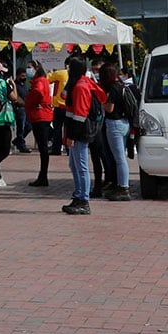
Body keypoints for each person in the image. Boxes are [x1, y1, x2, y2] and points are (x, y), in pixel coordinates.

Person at [62, 54, 104, 215]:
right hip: (75, 129)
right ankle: (78, 195)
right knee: (74, 165)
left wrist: (72, 135)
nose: (67, 69)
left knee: (81, 166)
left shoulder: (81, 87)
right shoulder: (79, 84)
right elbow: (64, 96)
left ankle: (83, 200)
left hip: (79, 131)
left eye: (70, 67)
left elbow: (80, 114)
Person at [98, 61, 135, 201]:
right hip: (125, 122)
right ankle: (121, 185)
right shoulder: (121, 85)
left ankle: (123, 187)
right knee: (120, 157)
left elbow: (110, 108)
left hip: (114, 123)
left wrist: (102, 102)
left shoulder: (113, 88)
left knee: (119, 158)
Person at [22, 60, 57, 186]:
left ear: (36, 68)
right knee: (43, 149)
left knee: (43, 149)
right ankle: (43, 176)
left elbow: (39, 93)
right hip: (41, 116)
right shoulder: (42, 80)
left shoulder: (40, 81)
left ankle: (43, 177)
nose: (28, 70)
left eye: (30, 67)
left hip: (40, 116)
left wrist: (29, 101)